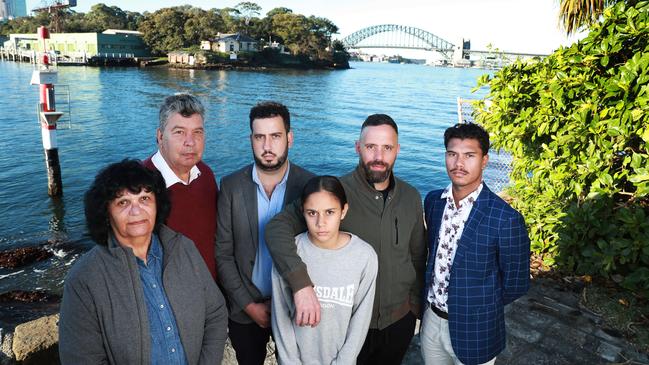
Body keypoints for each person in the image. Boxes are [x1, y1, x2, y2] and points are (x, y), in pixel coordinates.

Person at [266, 114, 427, 365]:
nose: (378, 156)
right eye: (370, 147)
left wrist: (415, 307)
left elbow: (417, 255)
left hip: (398, 323)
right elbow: (276, 228)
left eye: (387, 148)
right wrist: (300, 283)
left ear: (398, 149)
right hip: (347, 329)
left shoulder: (411, 197)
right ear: (357, 147)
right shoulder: (334, 195)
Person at [59, 159, 228, 364]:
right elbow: (82, 359)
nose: (136, 211)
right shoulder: (85, 279)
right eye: (123, 202)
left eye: (145, 198)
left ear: (158, 204)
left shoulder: (183, 249)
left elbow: (215, 313)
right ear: (106, 212)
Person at [420, 123, 530, 365]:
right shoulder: (434, 202)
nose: (459, 164)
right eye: (452, 154)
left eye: (469, 155)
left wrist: (480, 306)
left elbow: (517, 283)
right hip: (431, 321)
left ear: (484, 160)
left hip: (477, 330)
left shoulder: (505, 218)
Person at [215, 101, 314, 364]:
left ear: (290, 138)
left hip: (293, 307)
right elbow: (223, 254)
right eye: (260, 137)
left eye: (275, 136)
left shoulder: (309, 187)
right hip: (244, 308)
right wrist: (249, 306)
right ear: (251, 139)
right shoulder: (231, 186)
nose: (267, 146)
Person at [271, 175, 378, 364]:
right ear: (302, 213)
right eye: (312, 213)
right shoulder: (290, 254)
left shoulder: (364, 257)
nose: (321, 222)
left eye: (329, 212)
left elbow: (360, 321)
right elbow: (281, 317)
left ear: (343, 211)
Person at [143, 93, 218, 279]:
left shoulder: (205, 174)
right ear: (160, 137)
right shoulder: (140, 187)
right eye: (179, 132)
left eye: (197, 132)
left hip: (213, 294)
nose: (190, 142)